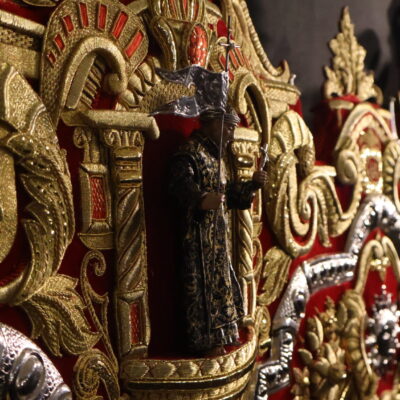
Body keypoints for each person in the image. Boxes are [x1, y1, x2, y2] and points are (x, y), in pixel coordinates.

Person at [168, 106, 267, 356]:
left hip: (218, 237)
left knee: (221, 286)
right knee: (201, 289)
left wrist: (252, 185)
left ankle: (222, 337)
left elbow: (230, 194)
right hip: (198, 238)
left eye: (233, 128)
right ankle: (206, 342)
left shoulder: (216, 158)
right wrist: (201, 199)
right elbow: (179, 186)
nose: (231, 134)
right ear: (212, 123)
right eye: (228, 127)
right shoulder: (190, 153)